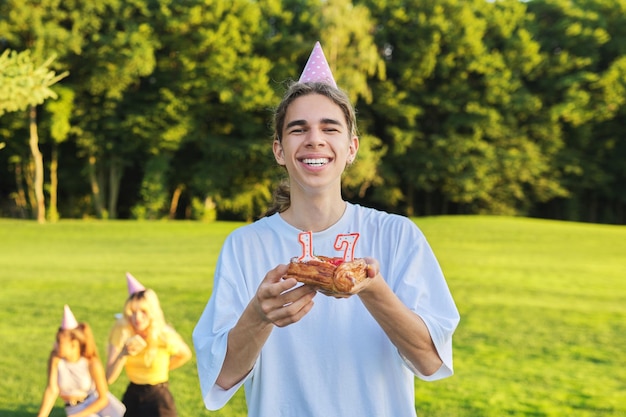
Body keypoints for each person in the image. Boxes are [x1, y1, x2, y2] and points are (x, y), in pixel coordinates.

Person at [192, 41, 460, 417]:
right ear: (279, 151)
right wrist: (259, 314)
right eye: (298, 129)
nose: (314, 139)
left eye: (329, 128)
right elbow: (220, 377)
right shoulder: (245, 246)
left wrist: (373, 290)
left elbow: (431, 362)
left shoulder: (397, 236)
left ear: (350, 148)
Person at [106, 273, 192, 417]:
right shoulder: (122, 331)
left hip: (158, 397)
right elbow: (109, 378)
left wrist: (164, 369)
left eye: (143, 312)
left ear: (152, 312)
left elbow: (185, 354)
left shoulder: (163, 334)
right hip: (133, 395)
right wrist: (123, 354)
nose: (137, 318)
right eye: (132, 312)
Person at [37, 305, 125, 417]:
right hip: (74, 408)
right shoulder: (56, 360)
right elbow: (52, 390)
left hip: (101, 406)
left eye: (60, 342)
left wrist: (78, 415)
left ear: (74, 344)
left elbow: (103, 399)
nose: (55, 345)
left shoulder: (91, 363)